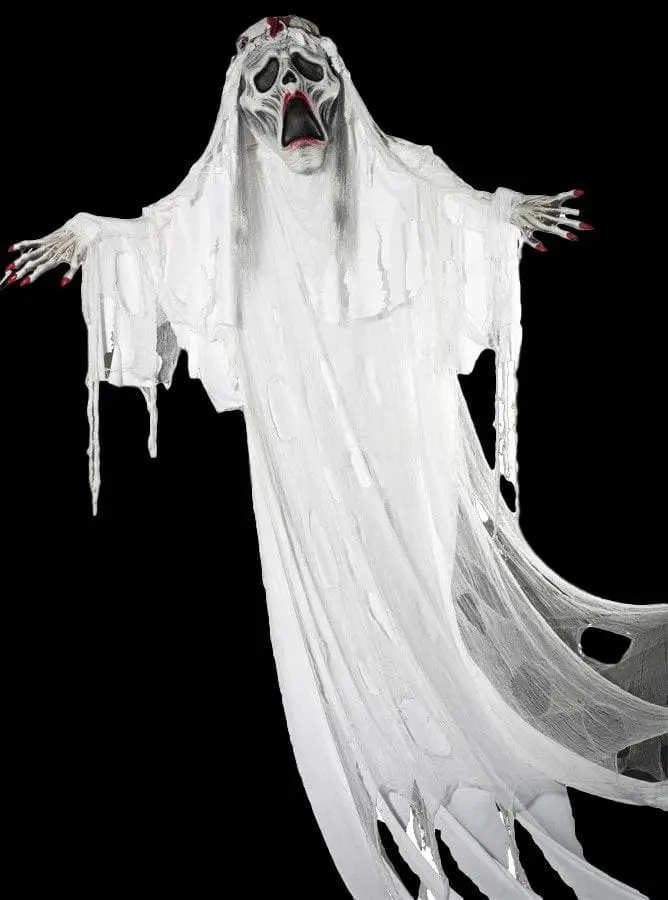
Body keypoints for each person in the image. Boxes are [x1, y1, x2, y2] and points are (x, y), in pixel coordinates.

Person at [4, 15, 665, 900]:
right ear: (242, 104)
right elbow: (160, 236)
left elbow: (450, 204)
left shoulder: (392, 172)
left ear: (335, 82)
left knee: (432, 594)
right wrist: (93, 234)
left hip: (399, 437)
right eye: (269, 79)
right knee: (360, 611)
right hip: (310, 453)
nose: (292, 93)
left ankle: (501, 764)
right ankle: (429, 781)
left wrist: (505, 212)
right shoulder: (227, 201)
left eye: (307, 72)